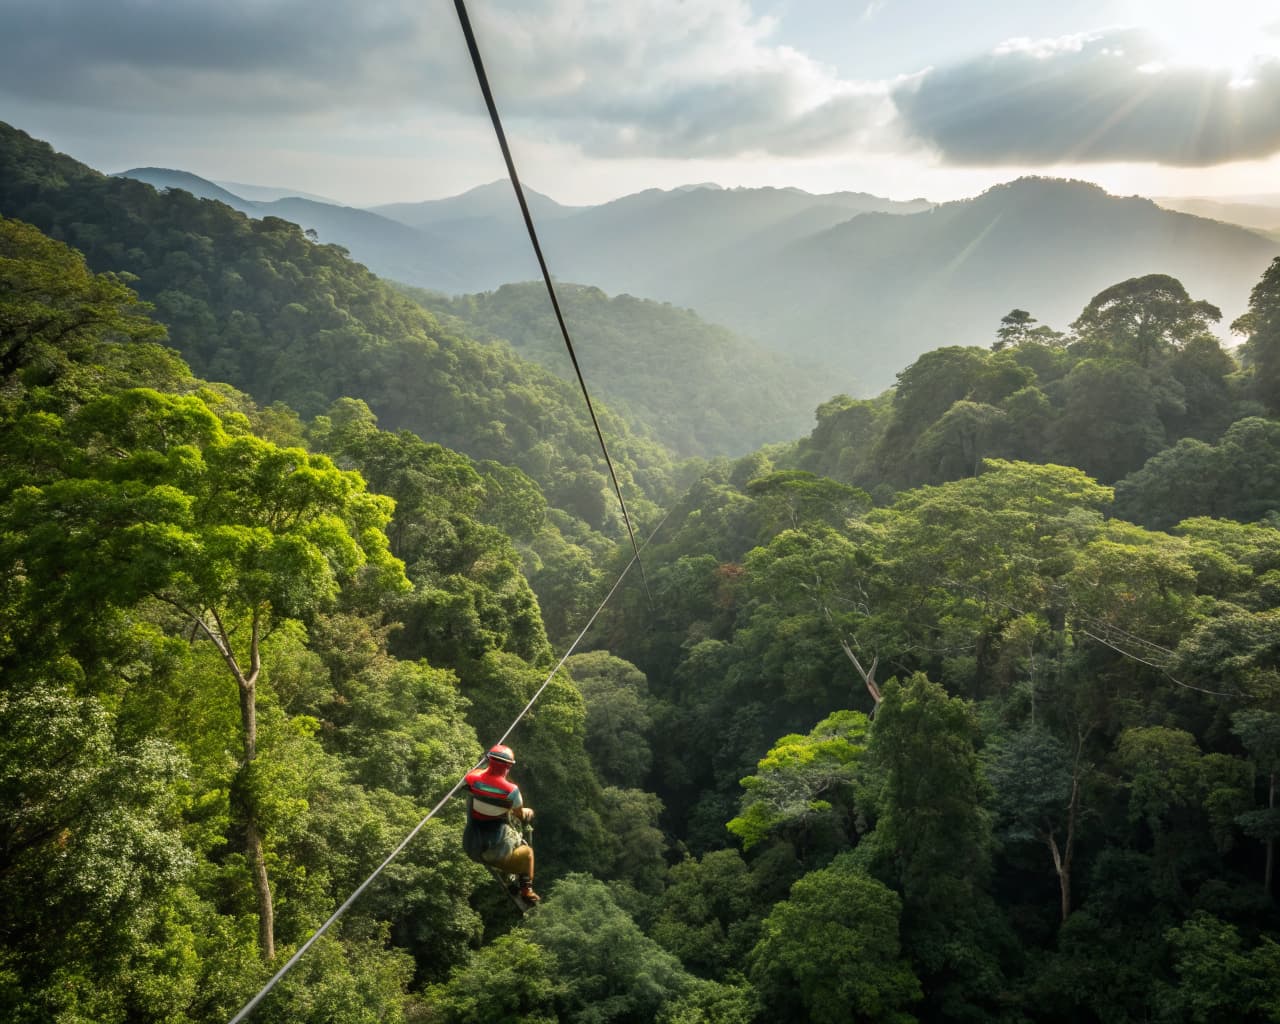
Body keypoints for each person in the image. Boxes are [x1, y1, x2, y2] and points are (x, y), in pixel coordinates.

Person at [462, 744, 539, 902]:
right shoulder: (512, 791)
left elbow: (478, 775)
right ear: (508, 766)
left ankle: (509, 874)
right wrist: (528, 812)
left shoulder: (472, 778)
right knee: (528, 853)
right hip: (494, 851)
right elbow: (519, 814)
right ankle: (526, 890)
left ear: (489, 760)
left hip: (471, 845)